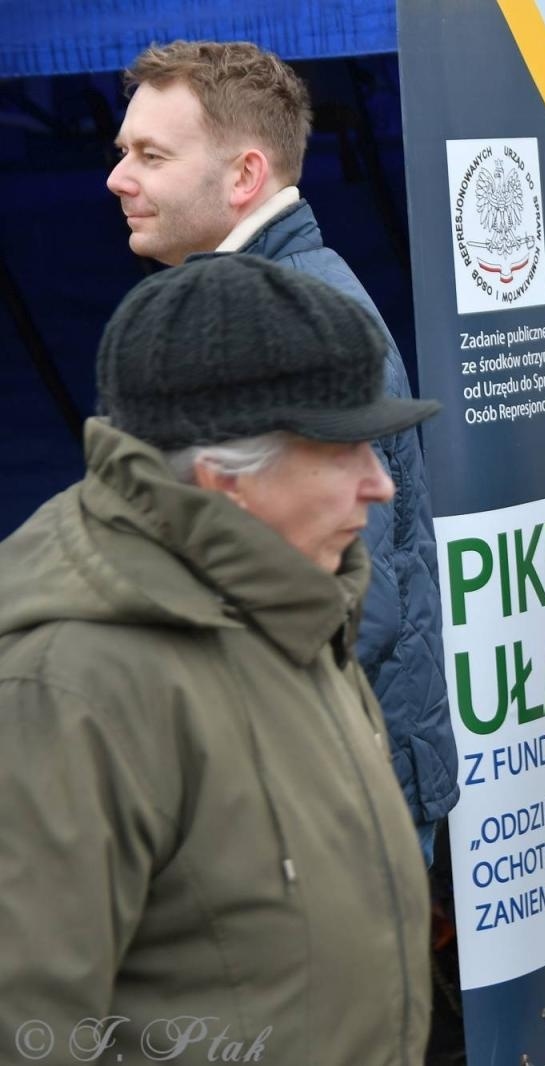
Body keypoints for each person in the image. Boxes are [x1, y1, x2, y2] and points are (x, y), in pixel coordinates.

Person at [0, 254, 436, 1062]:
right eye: (345, 451)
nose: (380, 485)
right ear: (224, 480)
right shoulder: (67, 689)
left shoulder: (297, 597)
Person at [107, 40, 457, 865]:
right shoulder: (261, 302)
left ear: (244, 176)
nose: (118, 179)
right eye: (122, 152)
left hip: (324, 805)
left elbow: (346, 602)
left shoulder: (299, 323)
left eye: (150, 155)